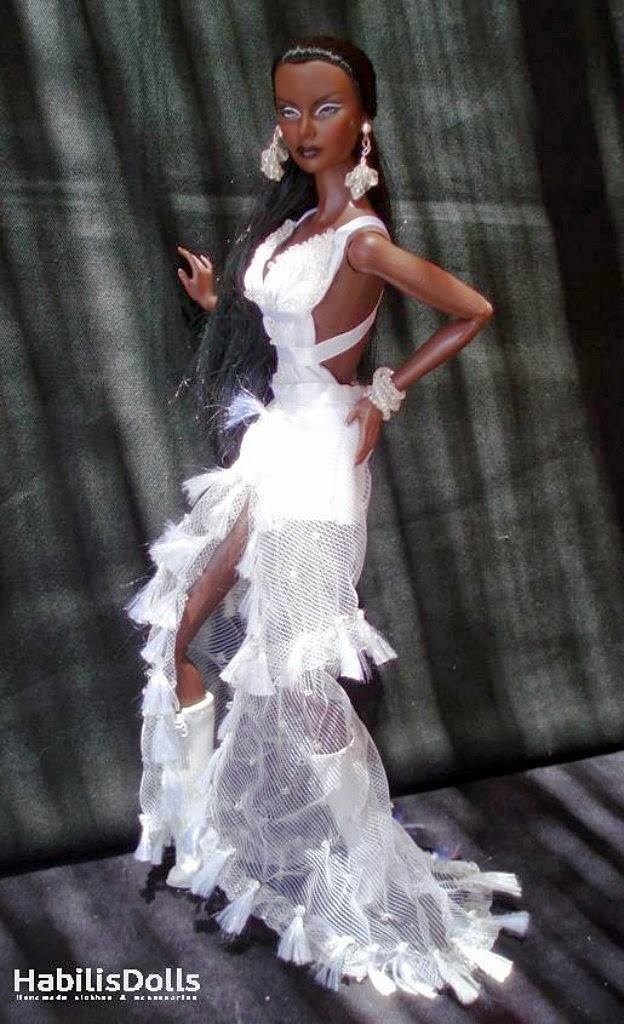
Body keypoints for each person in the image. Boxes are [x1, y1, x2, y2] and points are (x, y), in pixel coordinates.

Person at [125, 35, 528, 1005]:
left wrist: (384, 393)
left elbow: (472, 308)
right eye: (290, 109)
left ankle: (377, 886)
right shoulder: (297, 227)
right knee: (181, 627)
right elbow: (279, 334)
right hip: (275, 445)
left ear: (363, 122)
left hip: (317, 467)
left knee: (305, 685)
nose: (304, 127)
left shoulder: (363, 241)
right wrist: (216, 303)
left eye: (326, 108)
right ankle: (198, 828)